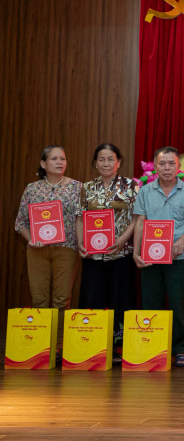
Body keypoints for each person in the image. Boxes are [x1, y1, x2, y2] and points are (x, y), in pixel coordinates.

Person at [132, 146, 184, 367]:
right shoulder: (144, 191)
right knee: (151, 302)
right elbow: (140, 222)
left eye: (171, 163)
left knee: (178, 303)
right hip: (150, 257)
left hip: (179, 258)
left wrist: (182, 241)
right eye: (162, 163)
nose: (167, 168)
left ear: (178, 167)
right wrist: (136, 251)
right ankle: (152, 345)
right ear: (155, 166)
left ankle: (180, 349)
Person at [75, 143, 138, 364]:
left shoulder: (131, 185)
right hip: (93, 255)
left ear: (118, 162)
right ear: (95, 163)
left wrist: (123, 239)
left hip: (121, 253)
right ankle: (92, 343)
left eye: (110, 159)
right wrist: (81, 242)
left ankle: (119, 347)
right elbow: (80, 217)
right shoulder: (86, 187)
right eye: (101, 159)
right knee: (94, 297)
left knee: (120, 298)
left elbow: (137, 218)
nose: (106, 164)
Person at [15, 145, 82, 350]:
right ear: (44, 164)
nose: (60, 162)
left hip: (67, 249)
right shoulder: (32, 189)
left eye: (62, 158)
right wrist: (30, 239)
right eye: (54, 159)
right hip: (37, 250)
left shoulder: (77, 187)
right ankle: (41, 346)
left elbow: (83, 219)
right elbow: (20, 223)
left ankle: (60, 347)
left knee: (62, 299)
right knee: (39, 298)